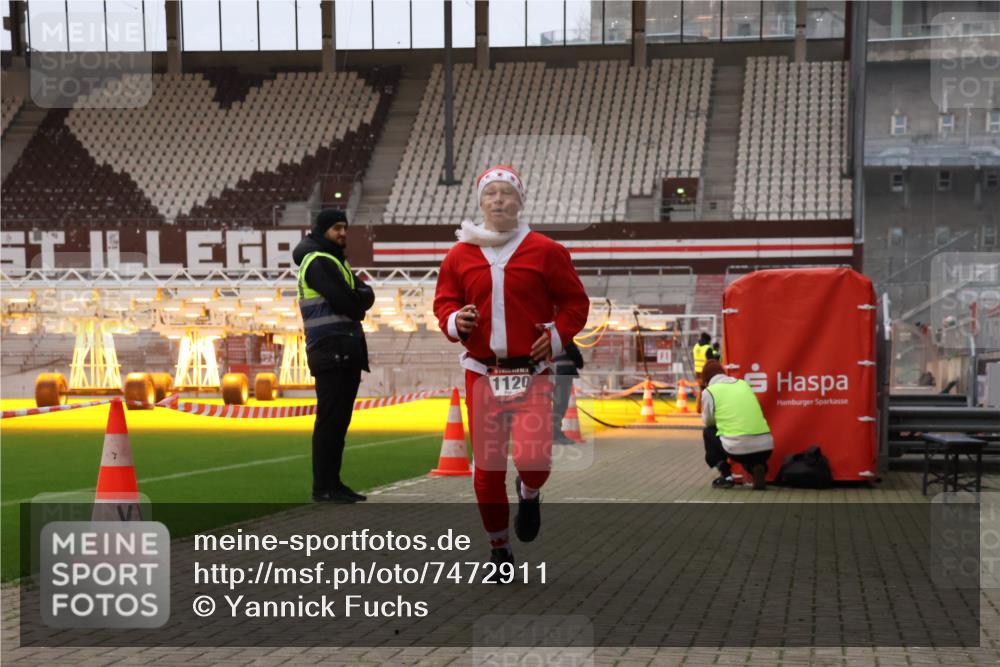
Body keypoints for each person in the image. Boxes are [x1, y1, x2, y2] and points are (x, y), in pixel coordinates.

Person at [433, 164, 590, 578]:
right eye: (491, 193)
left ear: (520, 201)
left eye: (506, 193)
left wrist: (556, 336)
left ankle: (530, 491)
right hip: (482, 374)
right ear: (480, 202)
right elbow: (444, 302)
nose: (498, 200)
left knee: (534, 459)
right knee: (487, 471)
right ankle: (499, 551)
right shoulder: (459, 254)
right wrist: (455, 321)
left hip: (532, 372)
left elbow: (575, 304)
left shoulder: (546, 251)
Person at [293, 209, 375, 504]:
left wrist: (359, 299)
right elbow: (352, 304)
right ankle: (323, 487)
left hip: (343, 350)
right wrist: (359, 301)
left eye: (345, 227)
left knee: (338, 423)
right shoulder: (319, 262)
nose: (342, 233)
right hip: (331, 350)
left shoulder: (335, 261)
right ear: (322, 230)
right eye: (336, 228)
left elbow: (365, 295)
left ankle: (333, 484)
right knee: (330, 422)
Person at [700, 359, 774, 490]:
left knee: (708, 432)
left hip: (738, 449)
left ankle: (726, 476)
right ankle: (757, 467)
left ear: (706, 380)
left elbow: (708, 421)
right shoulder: (743, 384)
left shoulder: (709, 391)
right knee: (748, 446)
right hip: (766, 448)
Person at [552, 340, 584, 444]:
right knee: (560, 406)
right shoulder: (564, 338)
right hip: (563, 374)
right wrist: (579, 363)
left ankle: (554, 433)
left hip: (556, 374)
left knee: (557, 406)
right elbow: (575, 354)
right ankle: (555, 435)